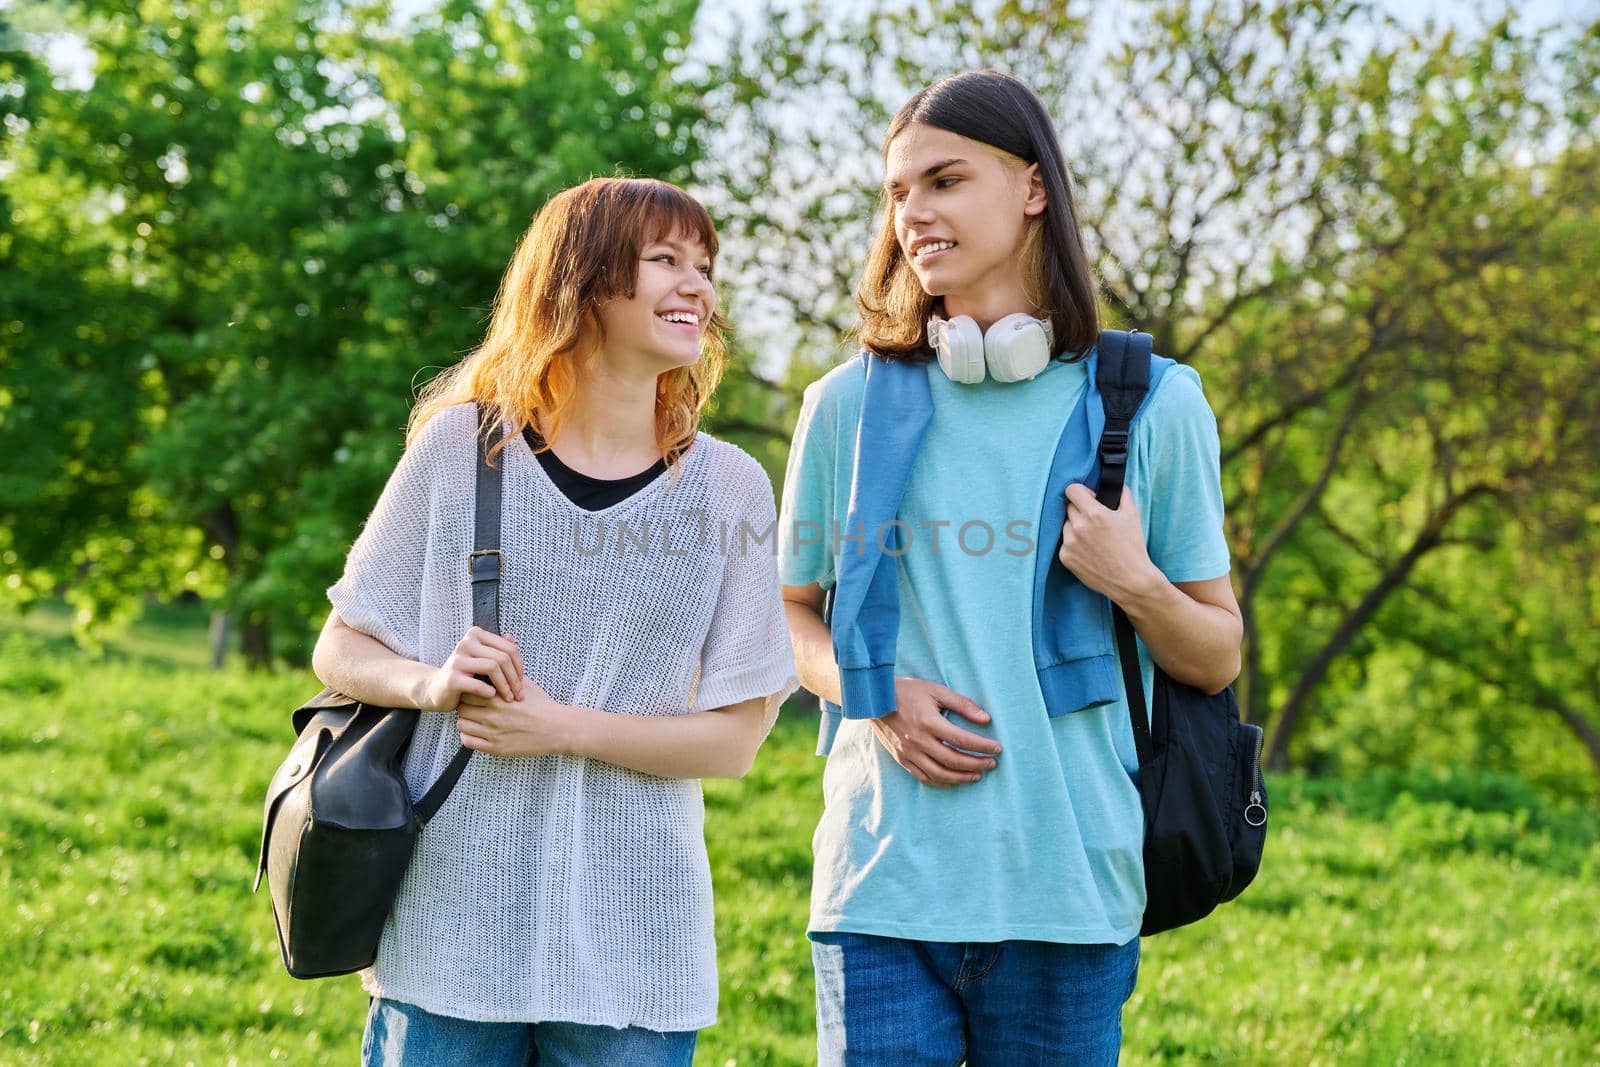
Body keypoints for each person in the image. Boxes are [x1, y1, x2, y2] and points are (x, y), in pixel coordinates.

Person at [778, 71, 1243, 1065]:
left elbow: (1212, 654)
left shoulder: (1154, 403)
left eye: (944, 180)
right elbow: (790, 615)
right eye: (898, 192)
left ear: (1032, 189)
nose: (914, 213)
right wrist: (871, 691)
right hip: (881, 890)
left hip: (1068, 895)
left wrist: (1134, 580)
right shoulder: (843, 407)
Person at [312, 176, 800, 1066]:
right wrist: (431, 682)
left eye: (705, 265)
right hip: (449, 939)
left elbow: (734, 741)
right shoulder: (461, 450)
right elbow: (340, 643)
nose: (698, 285)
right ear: (583, 281)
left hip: (636, 955)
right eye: (665, 261)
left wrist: (559, 728)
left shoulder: (730, 486)